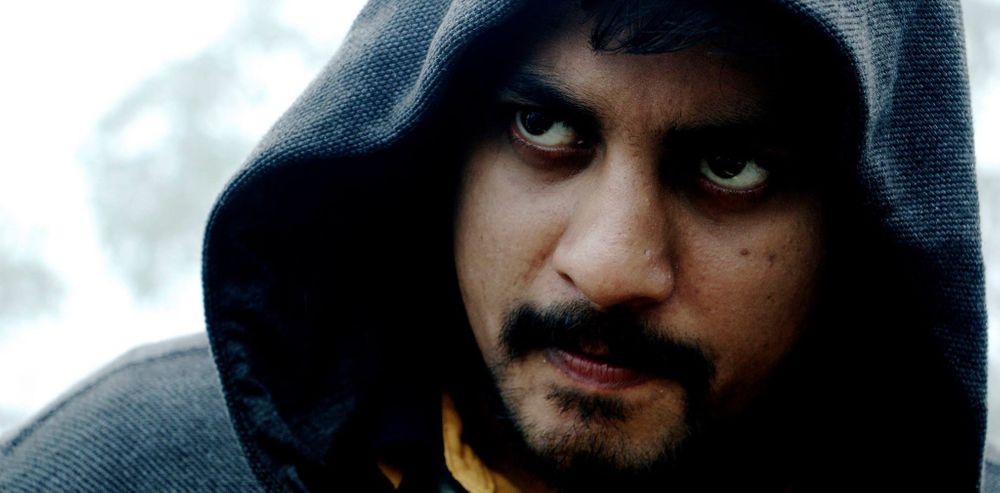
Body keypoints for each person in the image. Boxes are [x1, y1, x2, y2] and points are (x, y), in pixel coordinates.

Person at [0, 0, 992, 491]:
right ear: (435, 148)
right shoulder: (129, 468)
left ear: (861, 227)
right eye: (545, 129)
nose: (609, 267)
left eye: (729, 167)